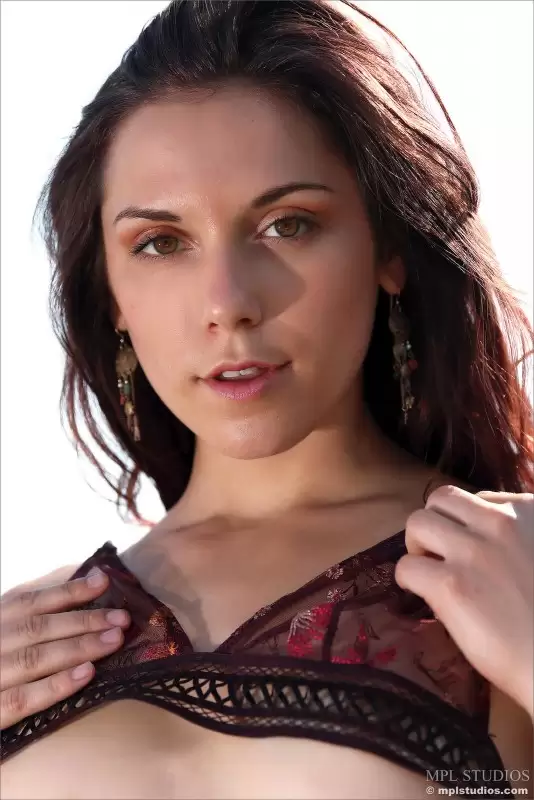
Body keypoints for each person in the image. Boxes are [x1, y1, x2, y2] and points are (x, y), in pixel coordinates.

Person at [1, 0, 533, 797]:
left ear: (388, 248)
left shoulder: (515, 571)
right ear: (110, 294)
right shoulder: (35, 641)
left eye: (288, 225)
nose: (228, 303)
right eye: (161, 243)